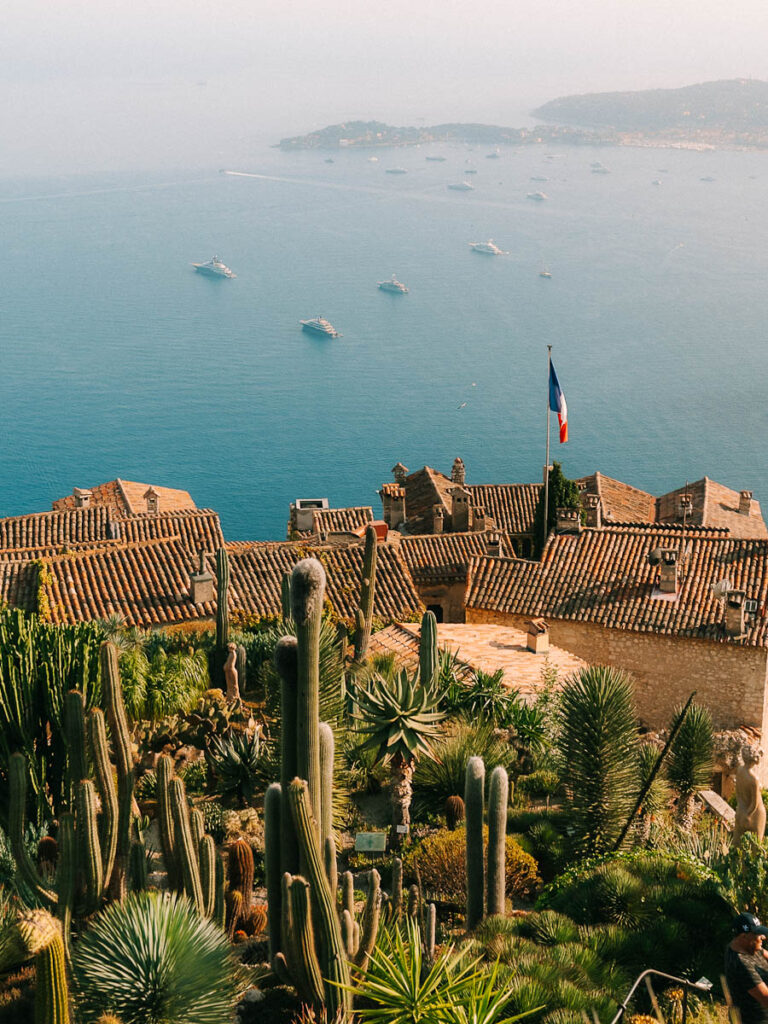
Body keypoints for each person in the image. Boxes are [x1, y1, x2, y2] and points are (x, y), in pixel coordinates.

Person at [725, 913, 768, 1024]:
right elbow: (766, 998)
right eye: (758, 934)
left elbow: (765, 953)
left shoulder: (750, 946)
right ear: (743, 936)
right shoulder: (740, 963)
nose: (763, 937)